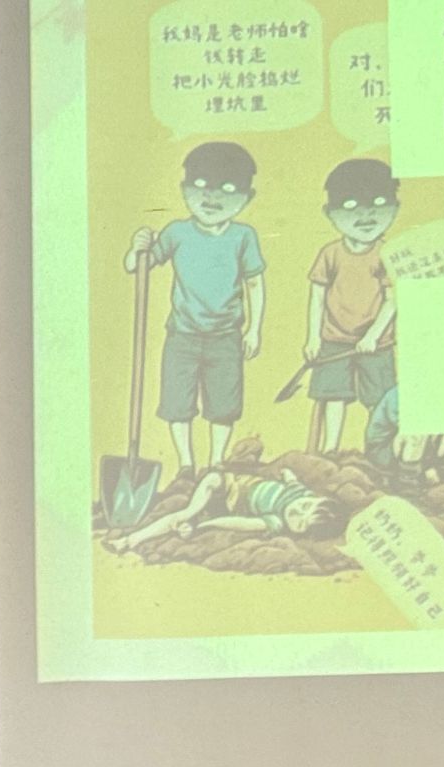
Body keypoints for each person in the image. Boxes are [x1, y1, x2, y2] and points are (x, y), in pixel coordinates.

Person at [125, 140, 266, 474]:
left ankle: (216, 463)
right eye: (201, 185)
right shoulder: (177, 233)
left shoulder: (243, 237)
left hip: (226, 336)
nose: (212, 197)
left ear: (247, 197)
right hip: (183, 335)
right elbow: (138, 266)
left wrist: (254, 329)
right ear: (183, 189)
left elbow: (255, 283)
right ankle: (186, 465)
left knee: (224, 404)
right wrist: (136, 249)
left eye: (228, 189)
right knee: (177, 403)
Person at [304, 158, 400, 454]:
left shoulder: (387, 254)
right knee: (333, 395)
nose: (365, 215)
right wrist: (313, 338)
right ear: (329, 213)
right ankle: (330, 450)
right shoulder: (330, 253)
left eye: (378, 203)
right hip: (335, 340)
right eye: (350, 206)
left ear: (395, 208)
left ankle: (378, 452)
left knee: (379, 398)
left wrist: (372, 336)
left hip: (377, 343)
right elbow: (317, 296)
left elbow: (393, 300)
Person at [104, 465, 341, 553]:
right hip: (227, 482)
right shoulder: (300, 493)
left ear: (301, 533)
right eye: (305, 507)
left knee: (183, 517)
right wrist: (288, 473)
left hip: (227, 505)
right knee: (210, 481)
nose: (297, 512)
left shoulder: (276, 521)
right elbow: (292, 479)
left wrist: (205, 524)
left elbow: (239, 523)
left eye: (300, 522)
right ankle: (187, 517)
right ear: (313, 497)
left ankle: (129, 541)